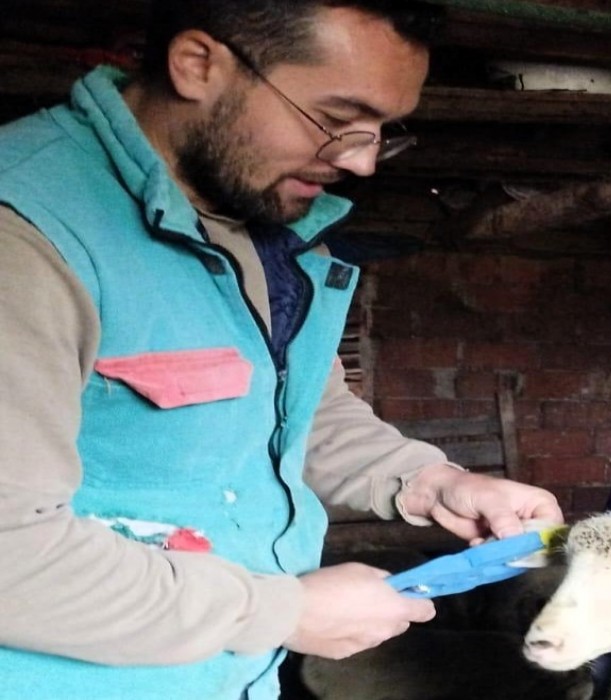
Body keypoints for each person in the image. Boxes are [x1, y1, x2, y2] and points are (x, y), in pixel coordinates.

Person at [0, 1, 561, 698]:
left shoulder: (262, 225)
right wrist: (282, 611)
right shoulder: (23, 234)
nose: (360, 162)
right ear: (198, 65)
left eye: (382, 131)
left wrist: (428, 482)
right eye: (336, 119)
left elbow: (297, 415)